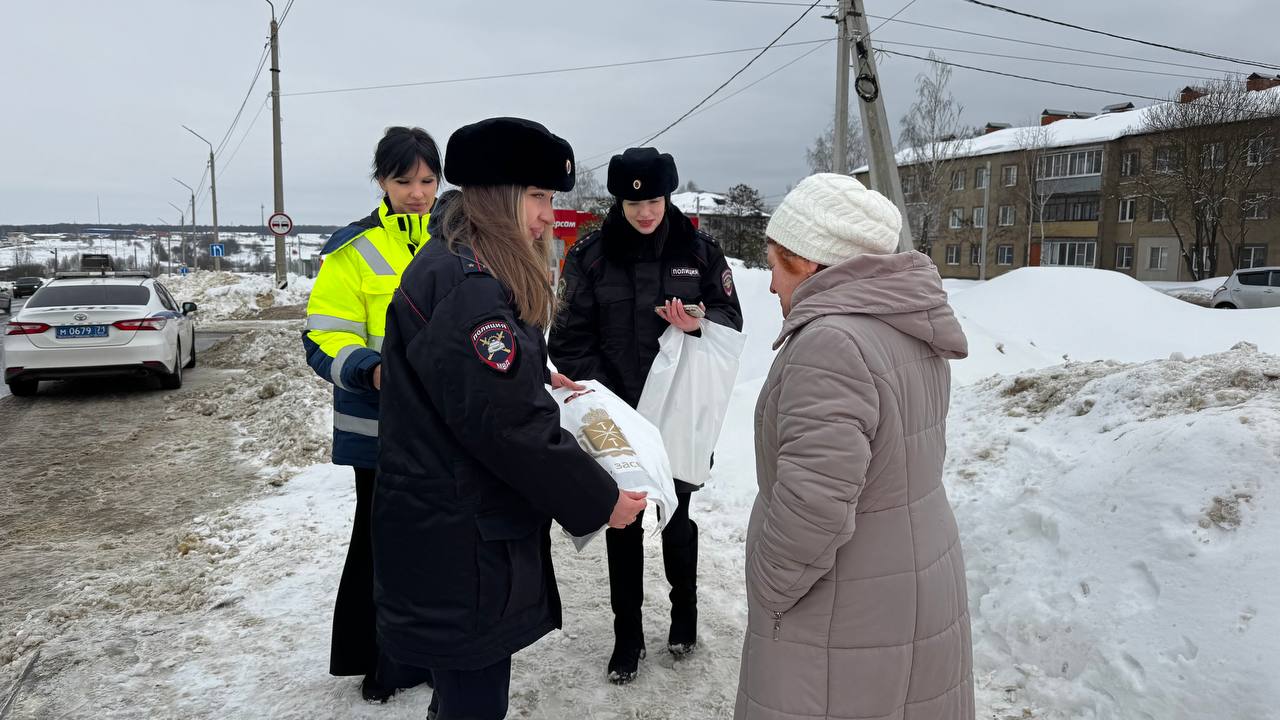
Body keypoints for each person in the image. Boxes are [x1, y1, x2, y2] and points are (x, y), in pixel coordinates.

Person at [372, 117, 648, 720]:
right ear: (499, 197)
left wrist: (534, 372)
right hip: (460, 535)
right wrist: (602, 499)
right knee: (472, 701)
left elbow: (466, 384)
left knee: (459, 695)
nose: (551, 215)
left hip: (449, 526)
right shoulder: (471, 285)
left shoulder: (460, 263)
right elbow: (511, 429)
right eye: (541, 196)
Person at [735, 173, 975, 720]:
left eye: (775, 264)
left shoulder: (831, 343)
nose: (771, 285)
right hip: (914, 574)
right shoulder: (905, 324)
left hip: (846, 602)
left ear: (812, 264)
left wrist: (771, 589)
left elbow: (813, 507)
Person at [548, 147, 744, 683]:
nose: (645, 212)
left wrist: (698, 322)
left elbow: (731, 317)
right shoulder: (588, 256)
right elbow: (566, 339)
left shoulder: (700, 251)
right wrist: (610, 402)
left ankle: (685, 619)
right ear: (619, 200)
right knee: (624, 523)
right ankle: (626, 639)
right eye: (634, 202)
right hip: (618, 417)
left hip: (679, 413)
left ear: (668, 196)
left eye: (654, 199)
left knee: (679, 518)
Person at [302, 126, 441, 702]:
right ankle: (378, 658)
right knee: (381, 544)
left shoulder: (458, 241)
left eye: (428, 180)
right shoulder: (351, 249)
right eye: (403, 180)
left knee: (437, 544)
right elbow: (323, 338)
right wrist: (371, 369)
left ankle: (431, 650)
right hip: (379, 431)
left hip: (445, 429)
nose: (416, 192)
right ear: (381, 181)